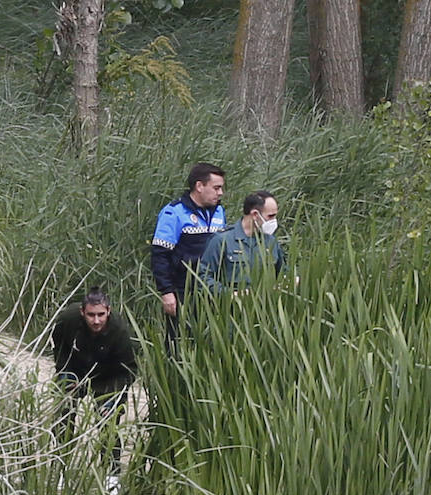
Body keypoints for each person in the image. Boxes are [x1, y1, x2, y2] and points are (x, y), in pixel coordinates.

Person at [50, 287, 138, 477]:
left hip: (108, 376)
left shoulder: (120, 331)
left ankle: (112, 477)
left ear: (109, 311)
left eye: (100, 315)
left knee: (109, 423)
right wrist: (64, 373)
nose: (96, 320)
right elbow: (59, 345)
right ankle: (60, 471)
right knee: (63, 416)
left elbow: (129, 370)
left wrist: (113, 399)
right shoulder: (69, 318)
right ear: (83, 312)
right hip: (75, 369)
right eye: (91, 315)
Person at [150, 163, 226, 351]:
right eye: (216, 188)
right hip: (182, 290)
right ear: (199, 186)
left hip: (212, 288)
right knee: (178, 343)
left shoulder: (219, 211)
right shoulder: (174, 212)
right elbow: (160, 255)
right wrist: (166, 292)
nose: (221, 193)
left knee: (211, 343)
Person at [198, 190, 285, 294]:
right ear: (255, 214)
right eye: (270, 216)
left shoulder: (271, 242)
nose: (274, 221)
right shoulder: (222, 241)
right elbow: (204, 277)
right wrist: (229, 295)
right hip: (230, 306)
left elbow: (283, 272)